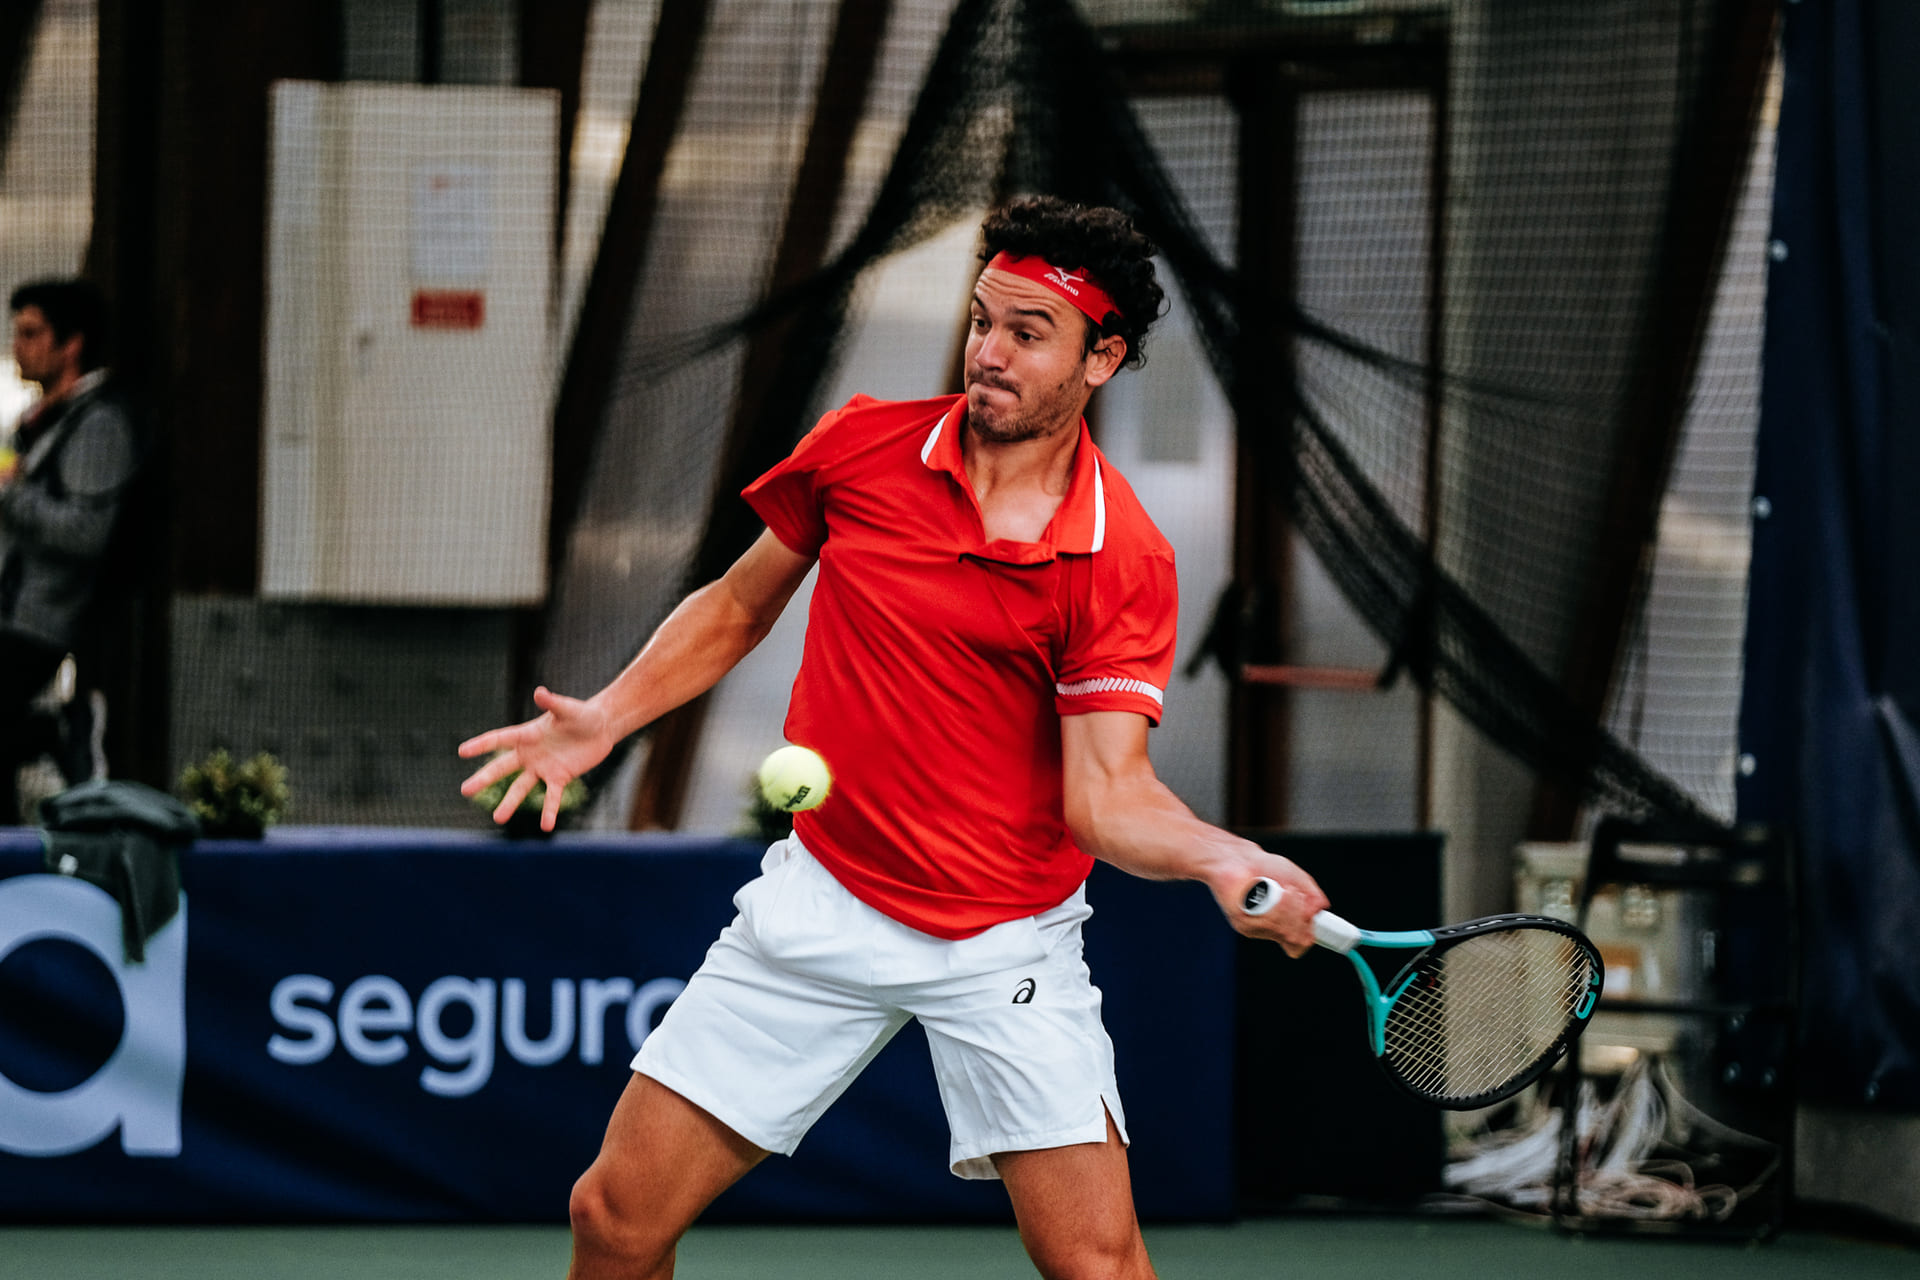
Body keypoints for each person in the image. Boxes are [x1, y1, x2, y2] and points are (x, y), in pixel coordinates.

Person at [460, 195, 1330, 1280]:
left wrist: (1221, 855)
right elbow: (736, 606)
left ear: (1101, 358)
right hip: (825, 897)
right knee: (614, 1216)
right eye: (983, 321)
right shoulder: (861, 449)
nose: (990, 352)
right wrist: (607, 714)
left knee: (1095, 1264)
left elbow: (1106, 795)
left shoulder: (1121, 557)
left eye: (1029, 333)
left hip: (1002, 937)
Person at [1, 279, 142, 822]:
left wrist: (12, 495)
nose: (19, 347)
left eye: (33, 333)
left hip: (42, 620)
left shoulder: (98, 423)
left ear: (71, 344)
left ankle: (47, 734)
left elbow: (85, 532)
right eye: (17, 333)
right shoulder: (40, 420)